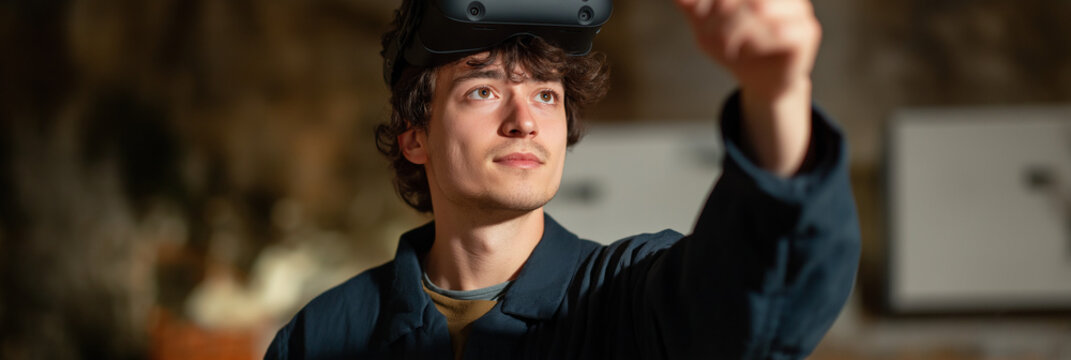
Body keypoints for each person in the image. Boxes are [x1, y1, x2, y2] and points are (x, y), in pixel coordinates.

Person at [266, 0, 860, 358]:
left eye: (546, 95)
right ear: (415, 138)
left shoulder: (628, 301)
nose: (524, 120)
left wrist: (777, 95)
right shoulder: (320, 338)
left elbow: (751, 302)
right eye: (483, 90)